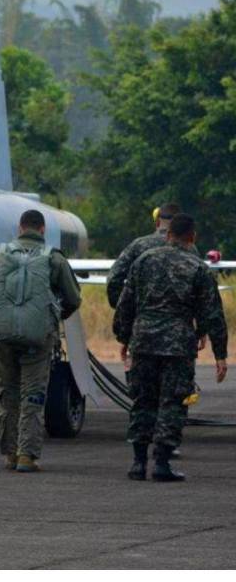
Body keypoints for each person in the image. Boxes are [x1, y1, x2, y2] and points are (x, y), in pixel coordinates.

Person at [114, 214, 228, 482]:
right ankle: (162, 462)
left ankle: (138, 462)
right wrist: (220, 353)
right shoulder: (197, 267)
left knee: (143, 400)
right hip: (178, 344)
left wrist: (123, 337)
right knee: (173, 402)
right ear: (193, 237)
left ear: (167, 234)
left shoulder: (143, 261)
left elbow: (126, 303)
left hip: (143, 341)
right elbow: (212, 313)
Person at [0, 210, 81, 473]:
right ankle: (27, 456)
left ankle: (9, 454)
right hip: (38, 339)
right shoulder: (54, 259)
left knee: (8, 395)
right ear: (43, 230)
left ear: (20, 228)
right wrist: (54, 317)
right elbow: (74, 299)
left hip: (2, 338)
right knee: (32, 396)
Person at [107, 203, 182, 308]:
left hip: (143, 319)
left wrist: (122, 307)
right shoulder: (189, 248)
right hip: (179, 320)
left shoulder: (138, 245)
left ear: (157, 222)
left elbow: (114, 277)